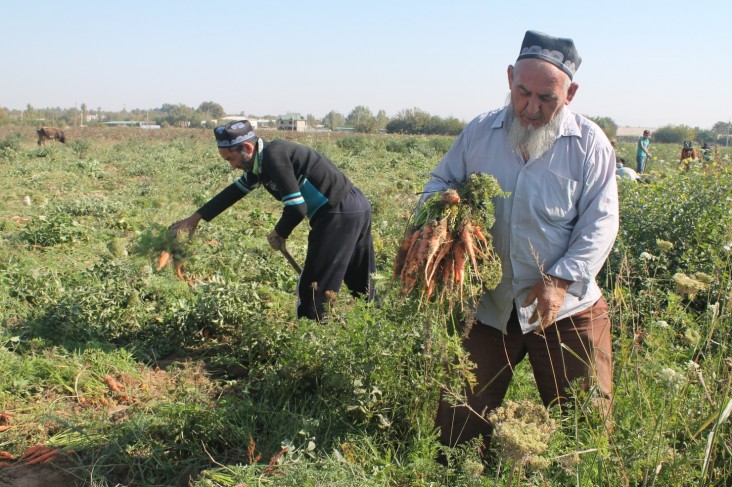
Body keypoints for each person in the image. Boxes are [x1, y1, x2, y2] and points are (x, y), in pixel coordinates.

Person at [423, 30, 619, 455]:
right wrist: (445, 213)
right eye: (522, 93)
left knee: (584, 431)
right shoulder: (480, 132)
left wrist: (561, 281)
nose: (531, 109)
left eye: (546, 98)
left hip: (568, 310)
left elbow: (601, 223)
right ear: (510, 78)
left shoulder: (588, 144)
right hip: (491, 305)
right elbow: (441, 179)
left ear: (571, 93)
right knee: (458, 427)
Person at [169, 120, 376, 321]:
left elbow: (297, 207)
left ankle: (313, 340)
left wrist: (279, 232)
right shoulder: (260, 164)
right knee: (361, 281)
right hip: (356, 206)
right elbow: (233, 192)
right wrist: (195, 219)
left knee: (314, 288)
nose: (232, 166)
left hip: (337, 213)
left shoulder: (274, 156)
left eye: (231, 159)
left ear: (247, 148)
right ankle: (375, 323)